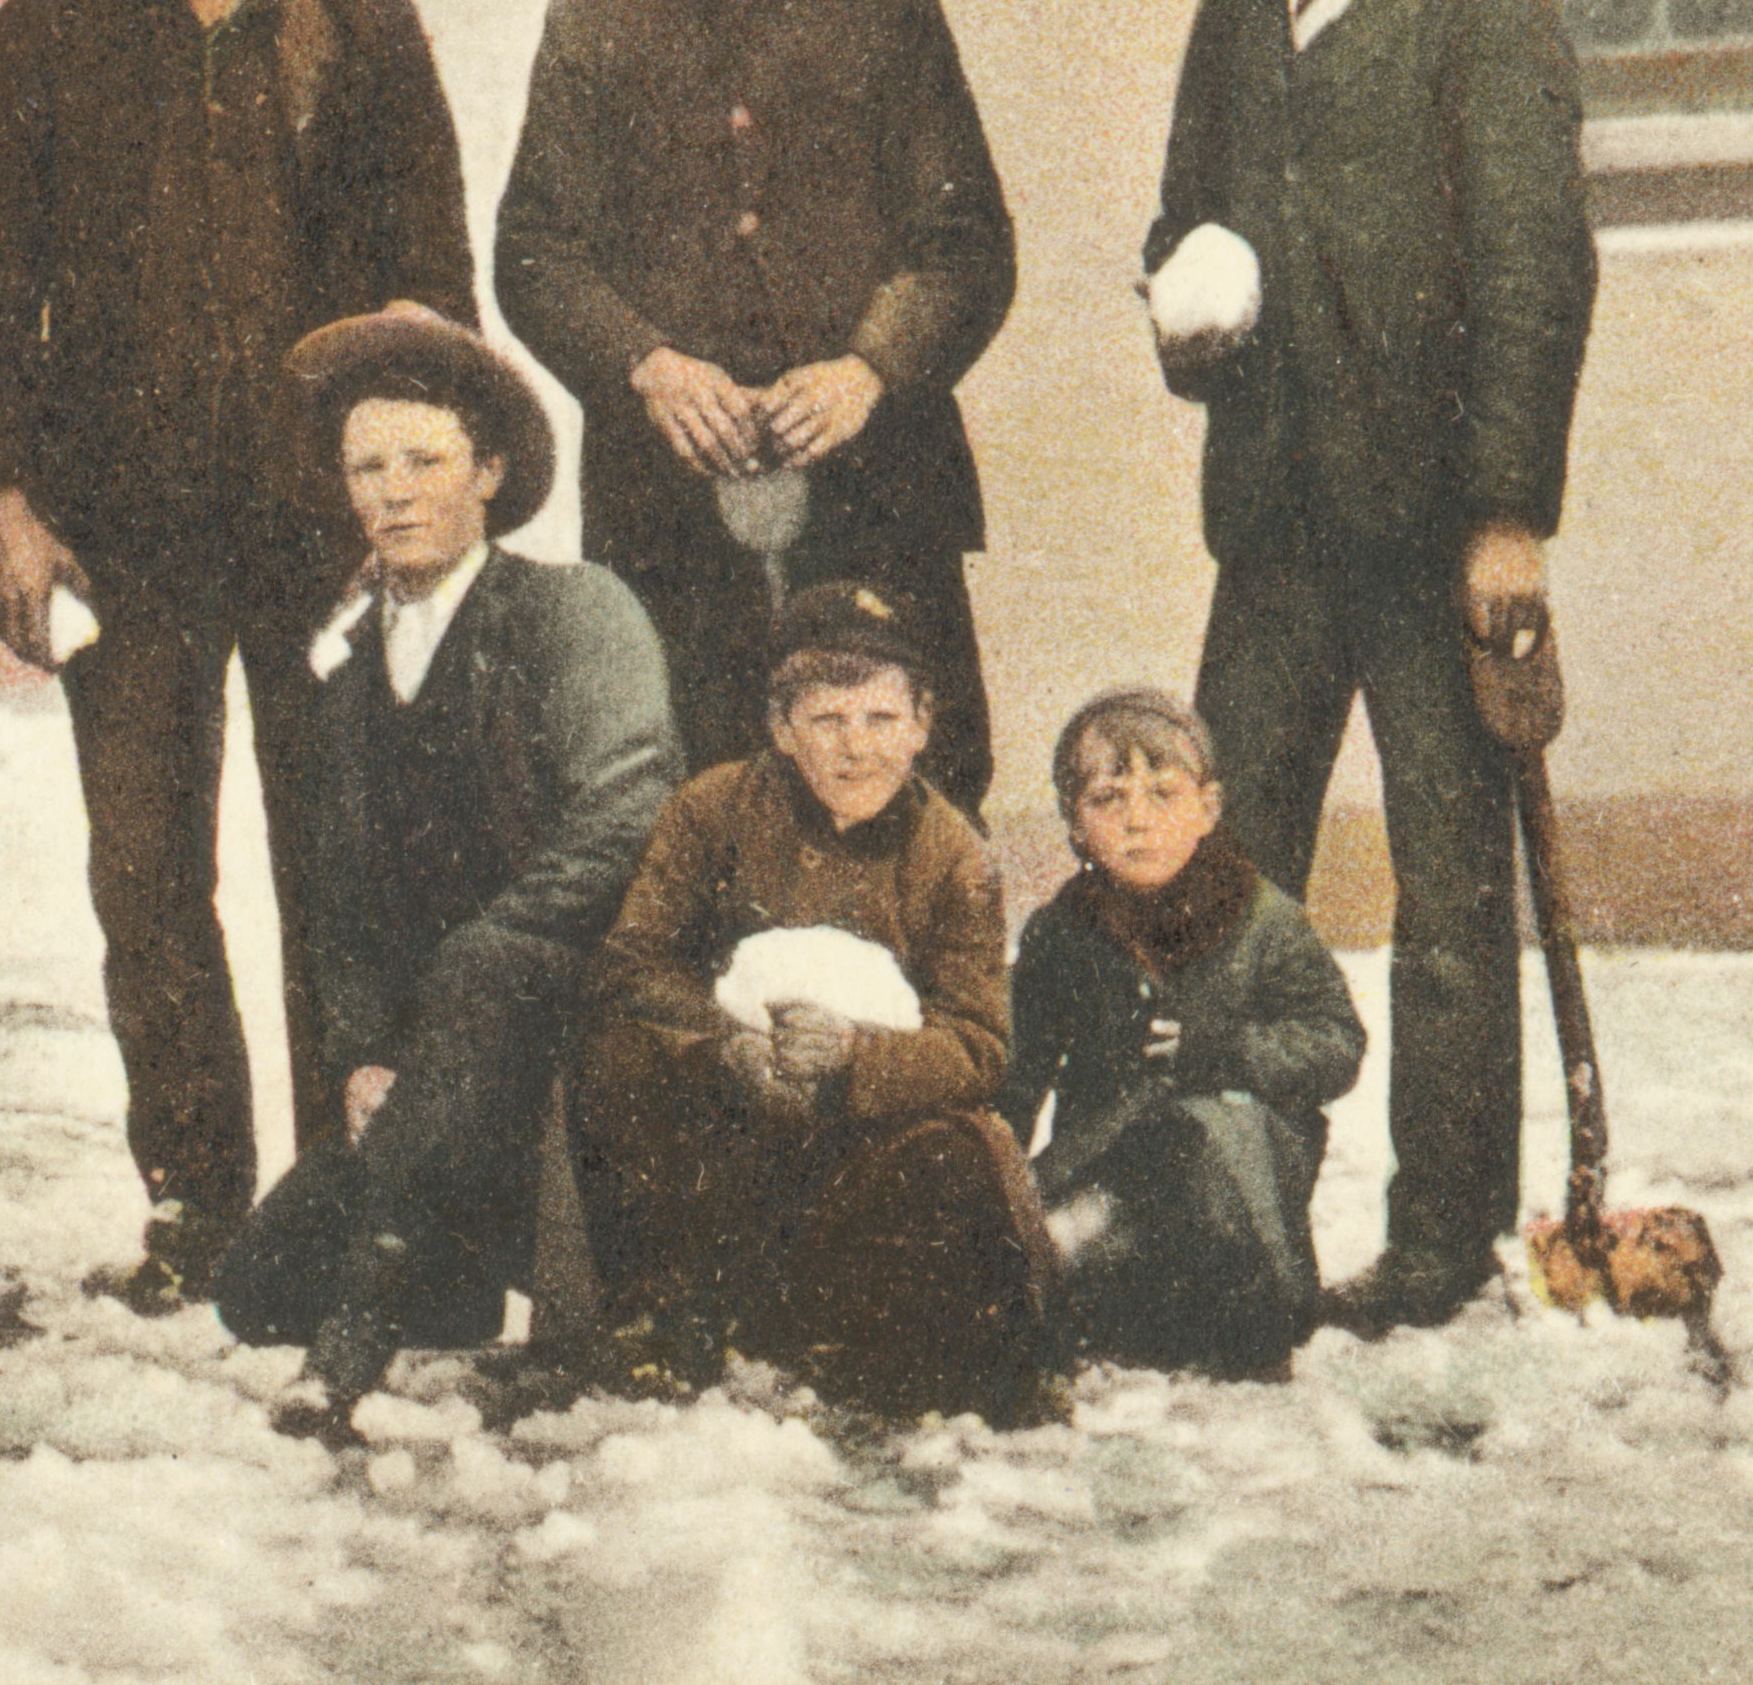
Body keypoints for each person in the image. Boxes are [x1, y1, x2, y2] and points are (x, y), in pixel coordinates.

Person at [0, 0, 476, 1312]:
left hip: (325, 536)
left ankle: (344, 1202)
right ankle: (194, 1203)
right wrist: (4, 501)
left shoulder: (365, 28)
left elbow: (433, 297)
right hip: (125, 532)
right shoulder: (55, 36)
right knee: (145, 876)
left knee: (345, 873)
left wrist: (413, 512)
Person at [1144, 0, 1595, 1332]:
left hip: (1427, 531)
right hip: (1272, 526)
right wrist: (1188, 305)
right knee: (1216, 876)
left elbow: (1535, 274)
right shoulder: (1229, 11)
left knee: (1449, 899)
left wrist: (1505, 513)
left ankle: (1439, 1238)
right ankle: (1222, 1218)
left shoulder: (1485, 9)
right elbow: (1176, 226)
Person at [493, 0, 1016, 812]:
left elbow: (965, 243)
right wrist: (647, 365)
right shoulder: (593, 28)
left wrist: (867, 368)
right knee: (693, 798)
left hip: (878, 485)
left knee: (915, 796)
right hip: (669, 497)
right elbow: (535, 251)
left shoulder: (894, 18)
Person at [208, 306, 676, 1434]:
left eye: (424, 460)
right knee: (256, 1285)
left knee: (479, 974)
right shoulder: (345, 682)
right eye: (366, 468)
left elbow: (625, 818)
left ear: (489, 474)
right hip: (444, 1068)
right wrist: (368, 1051)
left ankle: (350, 1349)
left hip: (585, 1011)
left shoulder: (571, 612)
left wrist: (479, 959)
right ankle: (440, 1259)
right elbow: (342, 906)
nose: (394, 493)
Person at [573, 584, 1048, 1422]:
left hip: (856, 1141)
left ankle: (890, 1342)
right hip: (723, 1132)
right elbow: (631, 962)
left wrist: (857, 1055)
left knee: (964, 1147)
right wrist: (724, 1041)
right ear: (781, 727)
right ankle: (664, 1316)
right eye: (826, 719)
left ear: (921, 725)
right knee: (616, 1053)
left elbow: (977, 1042)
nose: (855, 747)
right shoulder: (712, 809)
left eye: (880, 718)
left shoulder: (953, 855)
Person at [999, 689, 1368, 1381]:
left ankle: (1252, 1314)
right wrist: (995, 1176)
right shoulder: (1062, 934)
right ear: (1072, 821)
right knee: (1052, 1284)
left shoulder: (1262, 920)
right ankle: (1077, 1262)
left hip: (1239, 1177)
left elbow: (1335, 1043)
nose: (1137, 820)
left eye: (1163, 794)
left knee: (1204, 1138)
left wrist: (1231, 1052)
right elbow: (1016, 1071)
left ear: (1209, 808)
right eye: (1107, 799)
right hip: (1107, 1166)